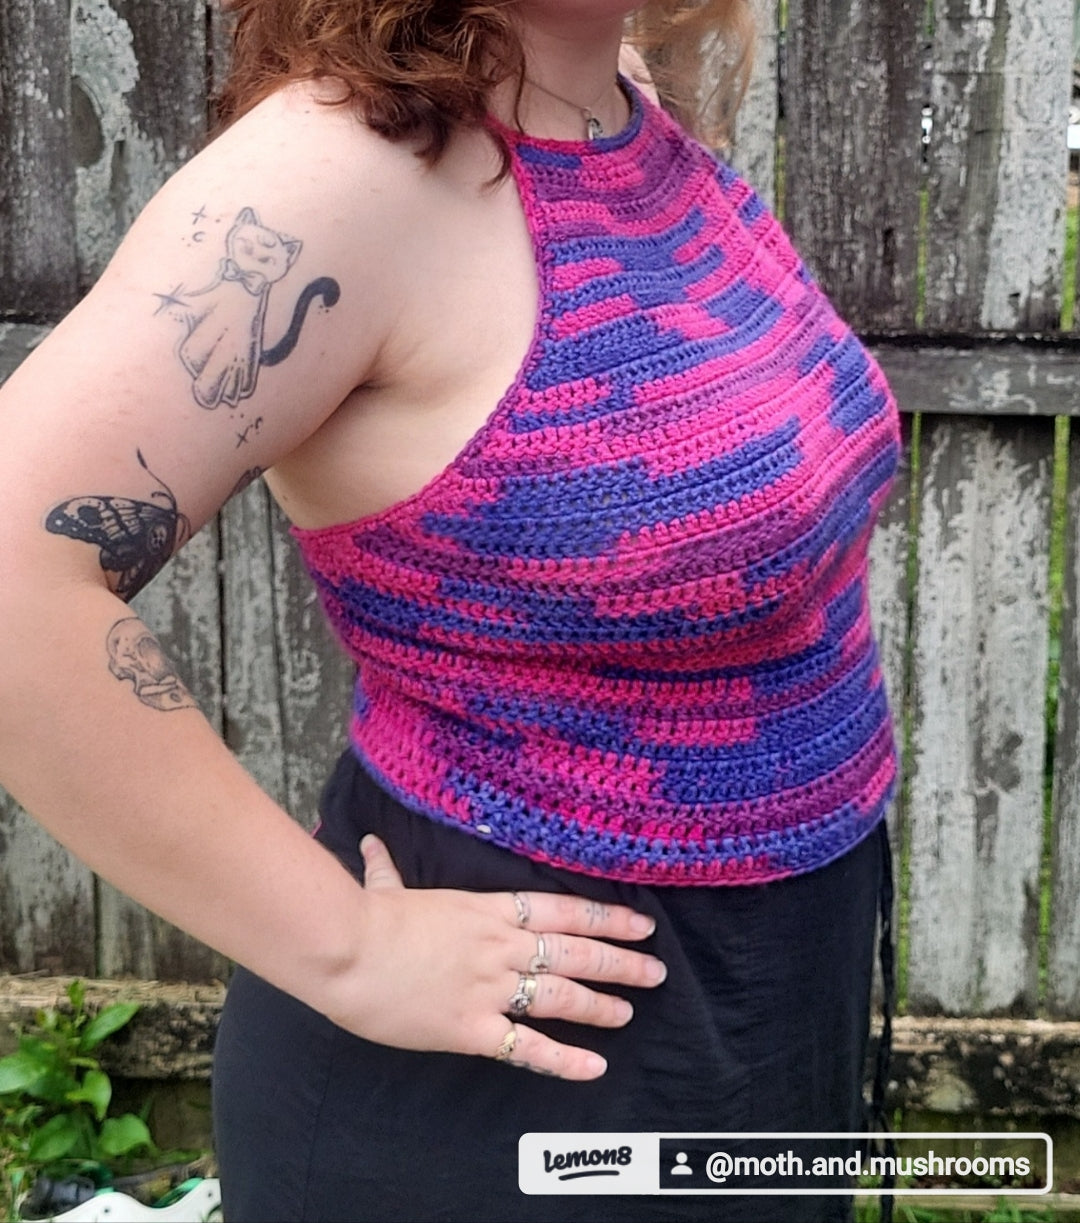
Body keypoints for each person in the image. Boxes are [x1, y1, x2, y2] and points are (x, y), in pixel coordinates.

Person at [0, 0, 901, 1219]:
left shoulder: (610, 105)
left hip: (756, 1011)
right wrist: (350, 947)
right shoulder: (336, 178)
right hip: (513, 1074)